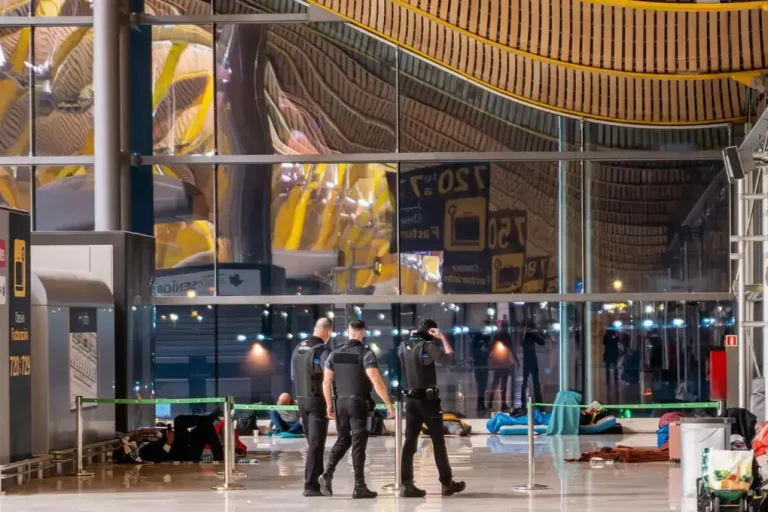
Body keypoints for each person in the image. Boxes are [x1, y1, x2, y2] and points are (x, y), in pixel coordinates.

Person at [319, 319, 395, 499]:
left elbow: (326, 381)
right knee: (359, 444)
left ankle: (327, 473)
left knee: (343, 440)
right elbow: (376, 381)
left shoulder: (334, 353)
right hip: (358, 403)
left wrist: (329, 404)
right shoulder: (365, 353)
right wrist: (389, 404)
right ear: (364, 332)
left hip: (340, 403)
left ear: (348, 331)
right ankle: (359, 486)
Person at [398, 319, 466, 498]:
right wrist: (442, 338)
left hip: (410, 401)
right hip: (428, 402)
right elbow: (450, 360)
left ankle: (406, 485)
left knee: (409, 442)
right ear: (431, 330)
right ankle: (447, 484)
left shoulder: (403, 345)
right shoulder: (427, 346)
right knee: (438, 442)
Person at [291, 317, 334, 497]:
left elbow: (293, 376)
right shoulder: (323, 350)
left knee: (312, 443)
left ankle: (316, 482)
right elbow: (329, 377)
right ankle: (311, 486)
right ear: (329, 332)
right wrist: (331, 403)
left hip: (301, 399)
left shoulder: (298, 348)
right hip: (317, 401)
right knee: (317, 444)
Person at [489, 319, 517, 411]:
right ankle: (497, 404)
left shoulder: (500, 336)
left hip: (501, 363)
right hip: (501, 363)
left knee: (497, 384)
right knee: (499, 384)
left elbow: (492, 348)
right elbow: (511, 349)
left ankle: (492, 403)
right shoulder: (503, 336)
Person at [519, 321, 544, 405]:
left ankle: (536, 400)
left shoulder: (530, 335)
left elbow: (541, 342)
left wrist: (536, 333)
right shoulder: (526, 335)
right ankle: (532, 401)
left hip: (530, 360)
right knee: (530, 381)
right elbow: (522, 343)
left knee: (532, 381)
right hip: (530, 360)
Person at [471, 321, 492, 413]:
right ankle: (480, 404)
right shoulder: (476, 338)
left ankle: (481, 404)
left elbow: (490, 348)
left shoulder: (487, 338)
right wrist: (480, 351)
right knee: (480, 384)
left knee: (483, 384)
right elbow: (472, 351)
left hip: (484, 363)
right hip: (478, 364)